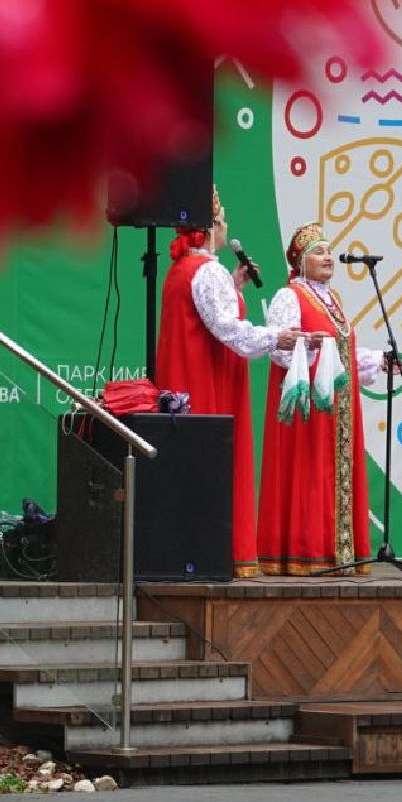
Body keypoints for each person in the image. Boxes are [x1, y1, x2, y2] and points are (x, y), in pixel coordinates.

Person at [155, 189, 302, 578]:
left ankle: (191, 551)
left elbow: (206, 320)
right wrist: (275, 337)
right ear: (212, 227)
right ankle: (213, 553)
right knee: (213, 464)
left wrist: (234, 287)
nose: (227, 228)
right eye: (224, 222)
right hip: (207, 383)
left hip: (188, 377)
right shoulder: (206, 271)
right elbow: (227, 330)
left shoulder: (184, 271)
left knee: (191, 468)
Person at [257, 222, 389, 575]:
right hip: (310, 407)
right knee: (312, 474)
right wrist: (306, 344)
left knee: (336, 473)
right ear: (300, 261)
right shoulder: (291, 296)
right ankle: (307, 552)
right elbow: (279, 349)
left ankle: (339, 552)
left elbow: (343, 354)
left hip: (339, 406)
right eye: (318, 251)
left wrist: (379, 360)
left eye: (329, 251)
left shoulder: (332, 300)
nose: (328, 257)